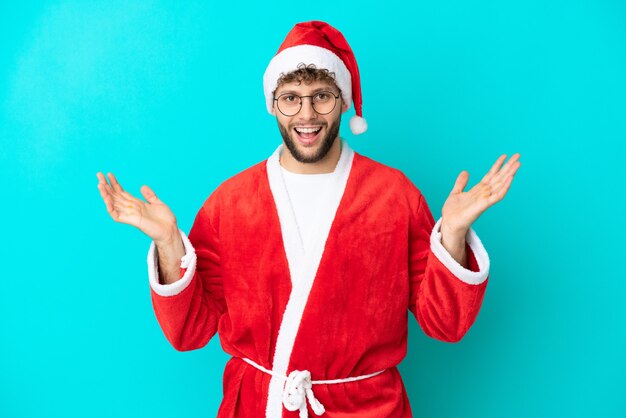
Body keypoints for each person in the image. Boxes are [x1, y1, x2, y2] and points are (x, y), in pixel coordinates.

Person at [97, 20, 520, 418]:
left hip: (368, 407)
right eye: (291, 98)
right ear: (273, 105)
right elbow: (189, 332)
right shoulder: (231, 202)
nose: (306, 114)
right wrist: (170, 243)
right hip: (259, 405)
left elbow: (444, 324)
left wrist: (455, 236)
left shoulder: (394, 196)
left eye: (321, 95)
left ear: (343, 101)